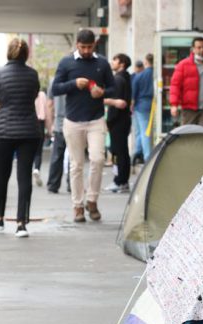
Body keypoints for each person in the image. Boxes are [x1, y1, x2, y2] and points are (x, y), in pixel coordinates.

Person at [51, 29, 115, 223]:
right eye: (83, 47)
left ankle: (92, 200)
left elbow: (113, 87)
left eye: (90, 47)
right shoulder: (66, 62)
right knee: (76, 165)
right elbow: (55, 88)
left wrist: (101, 92)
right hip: (73, 121)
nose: (86, 51)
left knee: (97, 159)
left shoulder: (102, 63)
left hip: (95, 119)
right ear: (77, 44)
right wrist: (73, 84)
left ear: (95, 44)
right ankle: (78, 206)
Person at [0, 37, 42, 237]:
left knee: (2, 175)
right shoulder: (33, 75)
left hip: (4, 131)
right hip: (29, 130)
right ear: (26, 54)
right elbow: (33, 95)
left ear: (8, 53)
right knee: (24, 176)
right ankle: (21, 224)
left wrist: (1, 109)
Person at [104, 53, 133, 193]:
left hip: (118, 121)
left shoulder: (118, 79)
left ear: (121, 63)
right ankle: (123, 181)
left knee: (118, 152)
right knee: (123, 151)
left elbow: (118, 102)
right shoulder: (126, 77)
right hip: (124, 119)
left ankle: (119, 181)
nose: (112, 62)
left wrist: (109, 121)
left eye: (115, 60)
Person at [169, 37, 203, 127]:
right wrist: (174, 105)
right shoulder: (183, 65)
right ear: (193, 49)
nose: (201, 50)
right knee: (188, 134)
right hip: (189, 109)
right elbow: (175, 85)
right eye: (198, 47)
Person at [45, 77, 70, 194]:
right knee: (74, 156)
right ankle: (72, 184)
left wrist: (50, 125)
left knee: (57, 156)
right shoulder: (77, 78)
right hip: (75, 122)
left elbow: (49, 104)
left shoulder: (54, 81)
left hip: (59, 123)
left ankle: (53, 185)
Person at [131, 53, 154, 162]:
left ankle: (145, 156)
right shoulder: (156, 74)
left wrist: (132, 105)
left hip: (140, 106)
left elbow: (133, 94)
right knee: (144, 131)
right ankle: (139, 152)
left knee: (141, 131)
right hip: (153, 104)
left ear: (146, 62)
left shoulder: (139, 76)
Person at [32, 88, 48, 187]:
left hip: (28, 122)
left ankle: (27, 172)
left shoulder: (27, 92)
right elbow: (46, 110)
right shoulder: (42, 95)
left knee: (28, 151)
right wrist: (49, 128)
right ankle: (36, 168)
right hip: (40, 123)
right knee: (38, 151)